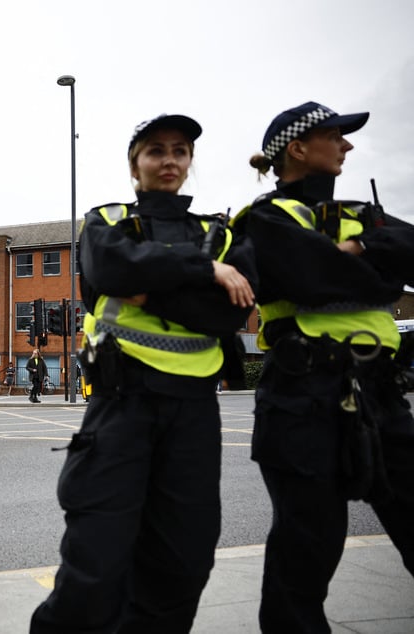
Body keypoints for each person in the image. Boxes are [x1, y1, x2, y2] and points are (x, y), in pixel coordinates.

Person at [30, 114, 257, 633]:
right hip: (121, 405)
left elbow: (228, 314)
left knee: (183, 565)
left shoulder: (219, 233)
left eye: (180, 150)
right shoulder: (107, 222)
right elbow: (110, 269)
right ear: (136, 165)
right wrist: (204, 272)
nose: (170, 159)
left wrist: (149, 282)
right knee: (94, 570)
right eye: (156, 150)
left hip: (194, 414)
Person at [229, 101, 414, 632]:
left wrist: (362, 244)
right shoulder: (263, 220)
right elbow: (313, 278)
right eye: (338, 136)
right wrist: (381, 274)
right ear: (299, 148)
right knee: (305, 553)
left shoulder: (365, 214)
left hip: (381, 395)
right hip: (302, 397)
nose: (348, 146)